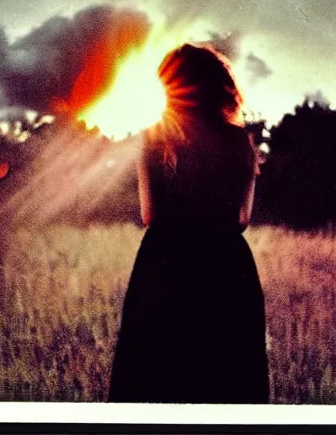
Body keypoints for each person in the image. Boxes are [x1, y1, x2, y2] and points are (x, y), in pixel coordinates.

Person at [108, 43, 269, 404]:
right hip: (228, 269)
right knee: (227, 382)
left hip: (165, 265)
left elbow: (150, 215)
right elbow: (242, 220)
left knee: (155, 381)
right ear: (219, 87)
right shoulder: (239, 141)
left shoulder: (154, 137)